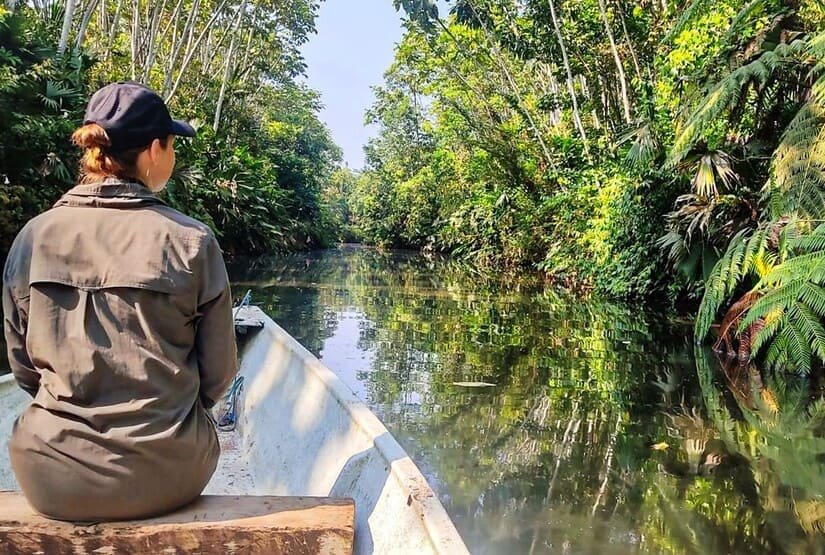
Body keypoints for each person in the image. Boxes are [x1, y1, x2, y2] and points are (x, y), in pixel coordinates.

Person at [1, 82, 238, 521]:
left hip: (50, 477)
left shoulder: (33, 237)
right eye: (171, 145)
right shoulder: (191, 241)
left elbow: (23, 370)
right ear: (152, 150)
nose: (172, 156)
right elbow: (219, 374)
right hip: (169, 475)